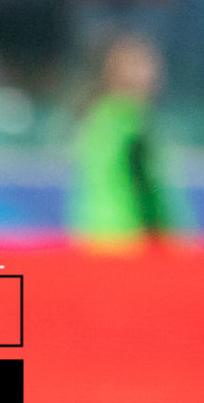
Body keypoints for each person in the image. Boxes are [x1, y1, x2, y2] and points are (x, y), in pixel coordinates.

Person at [68, 33, 195, 251]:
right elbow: (149, 193)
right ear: (113, 72)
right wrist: (174, 244)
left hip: (96, 239)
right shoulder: (130, 124)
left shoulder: (100, 117)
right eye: (141, 63)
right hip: (128, 243)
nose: (152, 70)